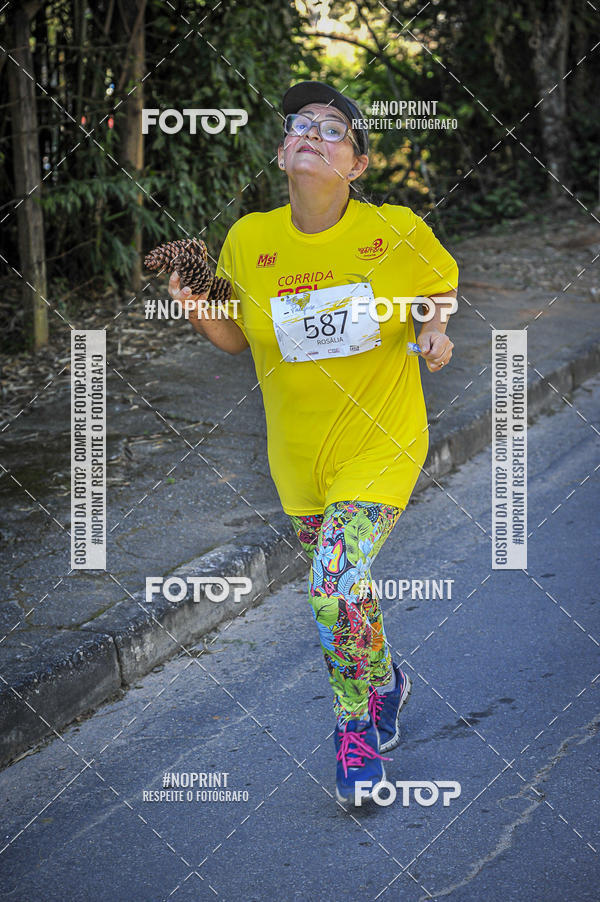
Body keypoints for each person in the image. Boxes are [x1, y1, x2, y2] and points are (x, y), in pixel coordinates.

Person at [169, 80, 458, 806]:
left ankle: (353, 734)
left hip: (381, 444)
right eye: (300, 124)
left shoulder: (392, 228)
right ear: (281, 151)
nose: (312, 133)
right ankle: (387, 677)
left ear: (356, 165)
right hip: (297, 461)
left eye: (333, 129)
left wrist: (431, 328)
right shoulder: (249, 240)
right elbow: (238, 340)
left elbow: (435, 290)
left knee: (330, 585)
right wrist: (196, 304)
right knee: (349, 590)